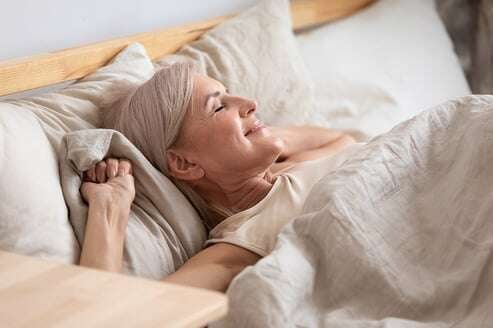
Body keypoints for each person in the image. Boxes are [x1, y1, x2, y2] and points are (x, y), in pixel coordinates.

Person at [79, 62, 357, 292]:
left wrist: (263, 136)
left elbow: (343, 139)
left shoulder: (294, 167)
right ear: (185, 163)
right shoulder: (240, 245)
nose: (251, 103)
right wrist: (109, 208)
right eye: (219, 107)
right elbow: (107, 317)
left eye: (230, 94)